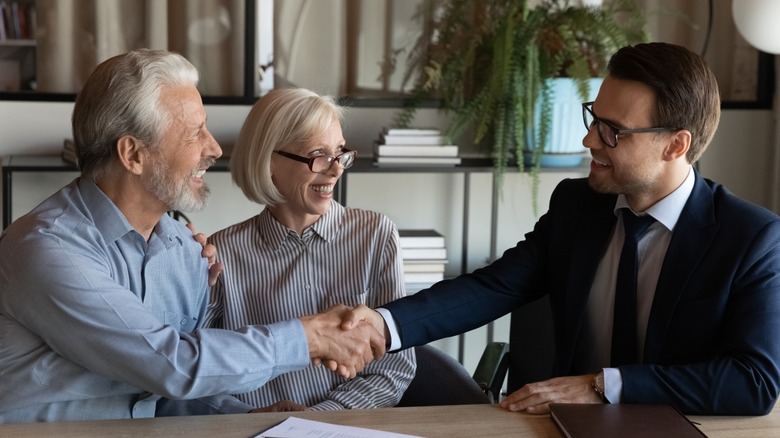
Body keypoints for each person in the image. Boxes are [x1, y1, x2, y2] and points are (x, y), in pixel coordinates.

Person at [344, 42, 780, 416]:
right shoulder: (578, 206)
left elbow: (754, 382)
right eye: (594, 118)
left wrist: (603, 386)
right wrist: (383, 325)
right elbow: (492, 287)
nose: (590, 140)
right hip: (561, 428)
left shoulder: (751, 239)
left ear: (675, 145)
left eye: (613, 132)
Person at [0, 49, 384, 424]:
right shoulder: (47, 249)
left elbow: (159, 395)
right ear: (133, 154)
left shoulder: (185, 251)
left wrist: (242, 416)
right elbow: (171, 365)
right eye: (194, 133)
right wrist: (309, 337)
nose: (214, 148)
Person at [204, 88, 415, 411]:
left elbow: (395, 367)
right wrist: (248, 414)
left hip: (348, 430)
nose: (336, 169)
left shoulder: (375, 235)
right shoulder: (222, 252)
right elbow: (198, 368)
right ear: (269, 159)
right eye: (319, 154)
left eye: (340, 152)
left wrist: (321, 416)